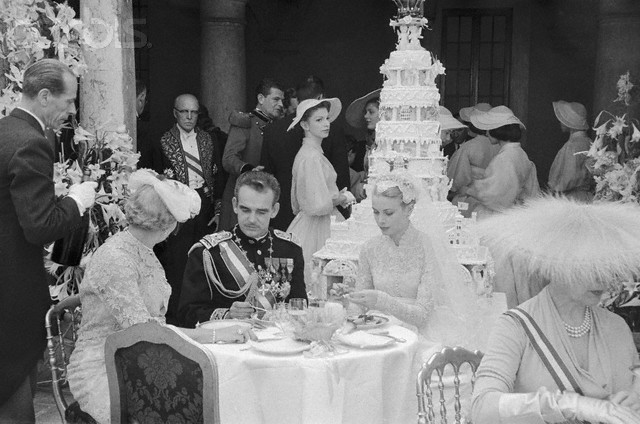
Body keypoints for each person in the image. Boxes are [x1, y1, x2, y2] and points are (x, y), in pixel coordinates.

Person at [67, 170, 254, 424]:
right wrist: (212, 335)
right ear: (169, 224)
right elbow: (145, 331)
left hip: (145, 358)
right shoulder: (116, 258)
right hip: (106, 368)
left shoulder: (143, 250)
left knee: (218, 391)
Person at [472, 197, 640, 424]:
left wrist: (634, 399)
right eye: (590, 266)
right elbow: (482, 408)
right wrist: (567, 405)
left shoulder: (616, 326)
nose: (604, 278)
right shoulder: (516, 326)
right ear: (556, 265)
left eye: (607, 266)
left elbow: (633, 385)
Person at [0, 59, 98, 422]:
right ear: (44, 96)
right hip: (12, 293)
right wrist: (76, 201)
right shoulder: (31, 142)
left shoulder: (4, 130)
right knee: (15, 397)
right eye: (69, 101)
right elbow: (39, 227)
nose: (72, 111)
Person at [178, 171, 307, 327]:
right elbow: (187, 313)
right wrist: (227, 314)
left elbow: (300, 306)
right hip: (229, 339)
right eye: (245, 210)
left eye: (261, 212)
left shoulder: (290, 248)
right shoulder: (209, 252)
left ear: (274, 210)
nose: (252, 219)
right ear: (234, 205)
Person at [158, 93, 224, 323]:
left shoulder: (209, 139)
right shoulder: (163, 141)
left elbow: (218, 176)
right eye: (184, 111)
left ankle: (201, 317)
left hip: (204, 207)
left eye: (193, 112)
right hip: (177, 208)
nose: (189, 116)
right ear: (175, 113)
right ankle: (176, 319)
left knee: (204, 261)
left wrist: (218, 210)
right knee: (178, 263)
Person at [260, 75, 351, 230]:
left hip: (281, 213)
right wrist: (343, 204)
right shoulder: (333, 130)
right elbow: (342, 175)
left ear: (297, 98)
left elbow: (267, 178)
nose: (325, 124)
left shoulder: (273, 130)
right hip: (324, 218)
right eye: (319, 120)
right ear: (320, 97)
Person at [287, 98, 354, 284]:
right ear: (305, 125)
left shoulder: (313, 153)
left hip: (318, 221)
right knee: (319, 278)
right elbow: (318, 205)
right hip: (317, 225)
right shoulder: (311, 157)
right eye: (319, 120)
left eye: (326, 119)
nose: (326, 124)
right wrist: (341, 198)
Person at [219, 78, 284, 230]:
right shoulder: (245, 123)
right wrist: (249, 169)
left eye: (282, 100)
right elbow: (228, 158)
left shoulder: (276, 126)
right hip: (243, 198)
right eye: (276, 99)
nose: (281, 104)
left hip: (266, 199)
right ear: (261, 98)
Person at [463, 105, 540, 219]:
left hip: (499, 215)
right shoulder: (520, 153)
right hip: (514, 211)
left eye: (489, 129)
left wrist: (469, 190)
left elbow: (494, 195)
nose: (486, 133)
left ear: (497, 131)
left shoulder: (505, 158)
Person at [447, 103, 500, 214]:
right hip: (495, 200)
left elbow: (457, 179)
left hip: (472, 200)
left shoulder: (469, 147)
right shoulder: (501, 146)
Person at [548, 100, 594, 201]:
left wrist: (555, 187)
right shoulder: (590, 142)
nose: (561, 122)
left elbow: (567, 179)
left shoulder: (572, 146)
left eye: (564, 118)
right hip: (587, 198)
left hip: (571, 199)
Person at [345, 88, 381, 174]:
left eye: (371, 112)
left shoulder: (390, 142)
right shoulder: (370, 142)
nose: (365, 116)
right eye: (365, 112)